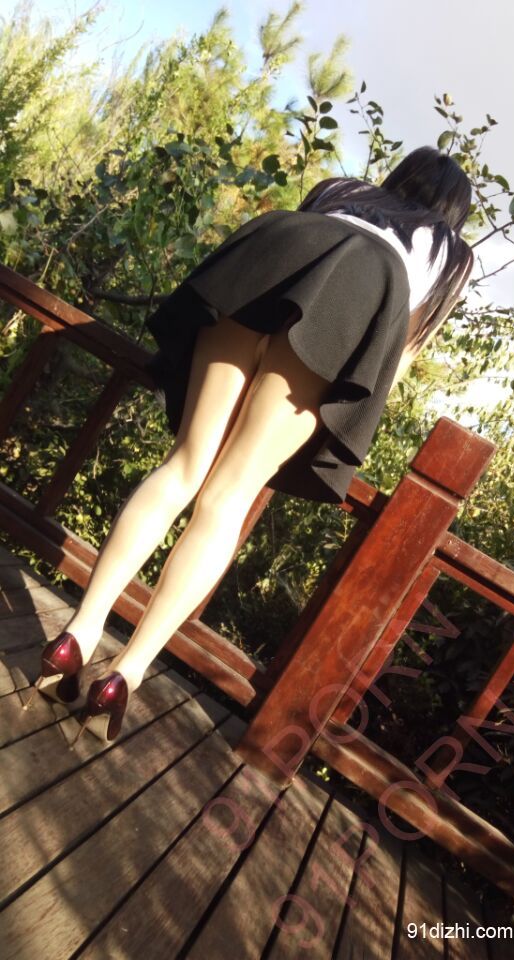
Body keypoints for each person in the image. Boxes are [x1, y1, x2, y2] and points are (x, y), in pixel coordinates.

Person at [22, 146, 474, 744]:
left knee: (183, 467)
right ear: (454, 211)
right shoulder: (450, 254)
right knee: (227, 500)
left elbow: (307, 263)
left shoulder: (345, 190)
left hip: (274, 255)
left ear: (400, 178)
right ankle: (125, 673)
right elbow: (400, 353)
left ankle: (78, 633)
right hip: (360, 296)